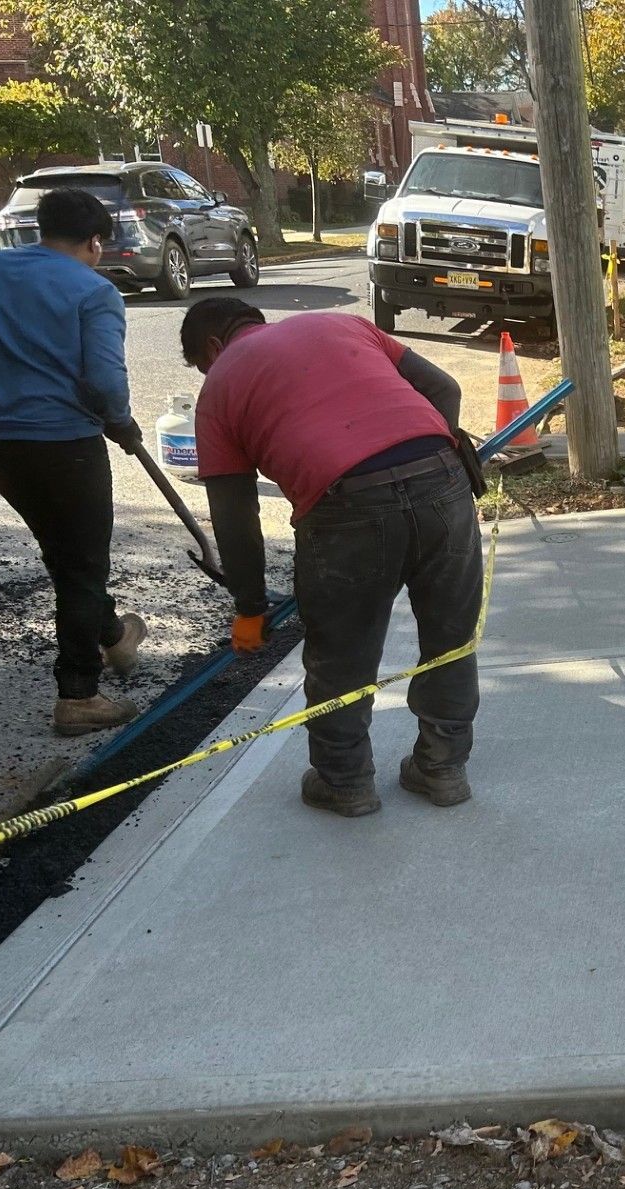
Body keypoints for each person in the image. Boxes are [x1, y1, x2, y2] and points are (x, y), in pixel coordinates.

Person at [181, 298, 480, 819]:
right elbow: (445, 388)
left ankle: (345, 783)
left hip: (347, 508)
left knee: (341, 652)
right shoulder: (342, 323)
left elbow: (235, 517)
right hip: (442, 483)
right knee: (450, 634)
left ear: (212, 346)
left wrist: (249, 606)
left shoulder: (221, 383)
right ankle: (444, 769)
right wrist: (435, 461)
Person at [0, 186, 145, 734]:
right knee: (83, 565)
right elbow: (106, 379)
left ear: (42, 229)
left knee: (65, 552)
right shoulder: (94, 291)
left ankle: (112, 637)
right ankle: (79, 694)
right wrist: (121, 422)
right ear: (95, 242)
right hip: (64, 446)